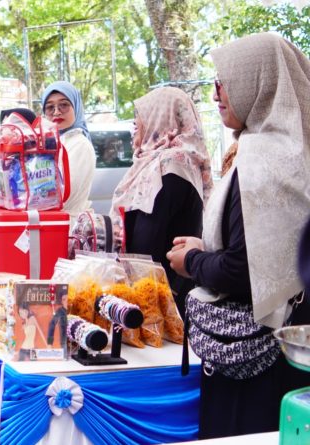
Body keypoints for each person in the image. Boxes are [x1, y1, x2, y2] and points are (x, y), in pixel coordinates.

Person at [167, 33, 310, 439]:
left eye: (225, 82)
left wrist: (192, 262)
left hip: (255, 364)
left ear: (259, 84)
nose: (216, 95)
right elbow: (270, 254)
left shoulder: (261, 164)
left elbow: (244, 272)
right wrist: (206, 247)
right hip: (290, 348)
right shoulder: (296, 151)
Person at [110, 87, 213, 316]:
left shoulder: (172, 164)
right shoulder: (158, 162)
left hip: (161, 296)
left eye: (141, 115)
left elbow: (148, 240)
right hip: (159, 289)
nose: (136, 123)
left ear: (161, 116)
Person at [41, 81, 96, 224]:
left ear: (76, 107)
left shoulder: (79, 144)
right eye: (50, 107)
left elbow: (64, 195)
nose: (57, 112)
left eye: (64, 105)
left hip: (69, 226)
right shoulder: (52, 143)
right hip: (51, 223)